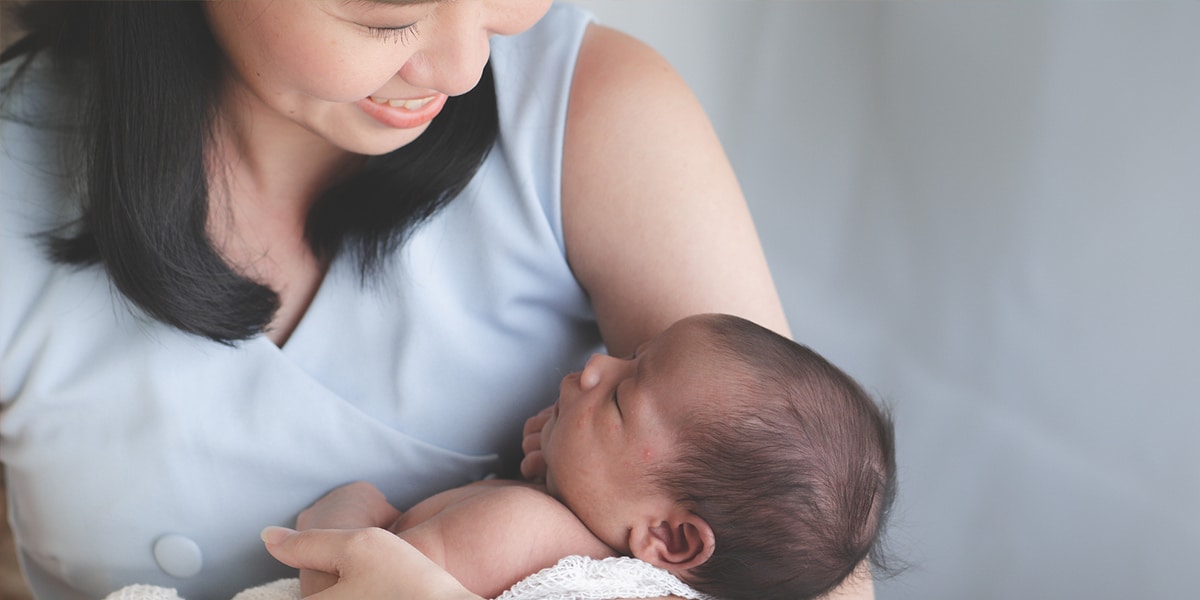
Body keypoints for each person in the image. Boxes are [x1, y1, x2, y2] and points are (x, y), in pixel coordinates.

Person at [0, 2, 871, 599]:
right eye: (387, 15)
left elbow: (804, 549)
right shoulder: (18, 179)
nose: (466, 67)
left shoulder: (597, 117)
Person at [290, 314, 896, 600]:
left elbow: (349, 585)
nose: (595, 368)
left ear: (670, 537)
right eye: (630, 354)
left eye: (621, 399)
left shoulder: (517, 530)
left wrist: (347, 511)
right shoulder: (568, 545)